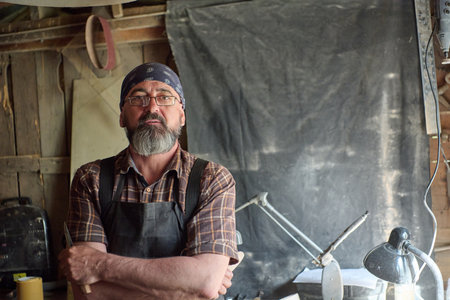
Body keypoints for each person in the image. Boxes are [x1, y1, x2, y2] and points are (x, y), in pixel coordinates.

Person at [58, 62, 239, 300]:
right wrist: (185, 291)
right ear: (122, 116)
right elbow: (88, 293)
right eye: (138, 98)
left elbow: (204, 282)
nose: (152, 107)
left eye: (165, 97)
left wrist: (100, 265)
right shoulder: (90, 179)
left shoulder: (211, 179)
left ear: (182, 115)